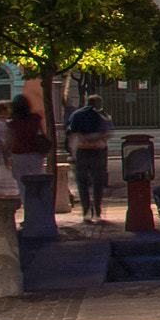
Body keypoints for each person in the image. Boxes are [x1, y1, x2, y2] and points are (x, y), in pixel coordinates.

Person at [64, 94, 112, 223]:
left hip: (82, 152)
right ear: (99, 104)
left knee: (82, 182)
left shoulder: (76, 114)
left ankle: (85, 211)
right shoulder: (102, 116)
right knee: (98, 183)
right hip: (97, 152)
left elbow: (71, 131)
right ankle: (97, 211)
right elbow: (107, 133)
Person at [6, 94, 50, 200]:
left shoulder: (12, 122)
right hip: (35, 153)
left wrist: (7, 155)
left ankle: (27, 205)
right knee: (36, 180)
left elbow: (9, 140)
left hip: (18, 154)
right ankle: (36, 202)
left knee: (22, 183)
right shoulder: (35, 118)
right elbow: (41, 134)